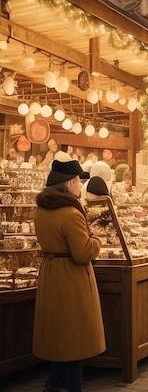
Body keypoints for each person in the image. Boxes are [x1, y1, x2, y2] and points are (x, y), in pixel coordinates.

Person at [33, 152, 105, 392]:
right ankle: (73, 387)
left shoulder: (41, 211)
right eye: (78, 180)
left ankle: (52, 384)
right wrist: (95, 239)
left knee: (58, 336)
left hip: (51, 275)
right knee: (75, 339)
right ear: (70, 183)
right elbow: (83, 252)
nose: (81, 185)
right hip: (72, 280)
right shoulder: (72, 213)